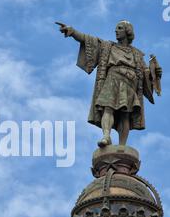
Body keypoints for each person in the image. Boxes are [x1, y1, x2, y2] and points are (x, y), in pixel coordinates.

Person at [57, 20, 162, 148]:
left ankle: (122, 146)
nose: (116, 31)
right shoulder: (108, 46)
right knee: (108, 107)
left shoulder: (137, 54)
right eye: (116, 28)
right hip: (113, 78)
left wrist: (155, 72)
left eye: (119, 28)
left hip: (130, 84)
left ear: (127, 31)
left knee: (125, 114)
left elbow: (147, 75)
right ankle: (106, 136)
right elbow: (88, 40)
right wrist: (72, 32)